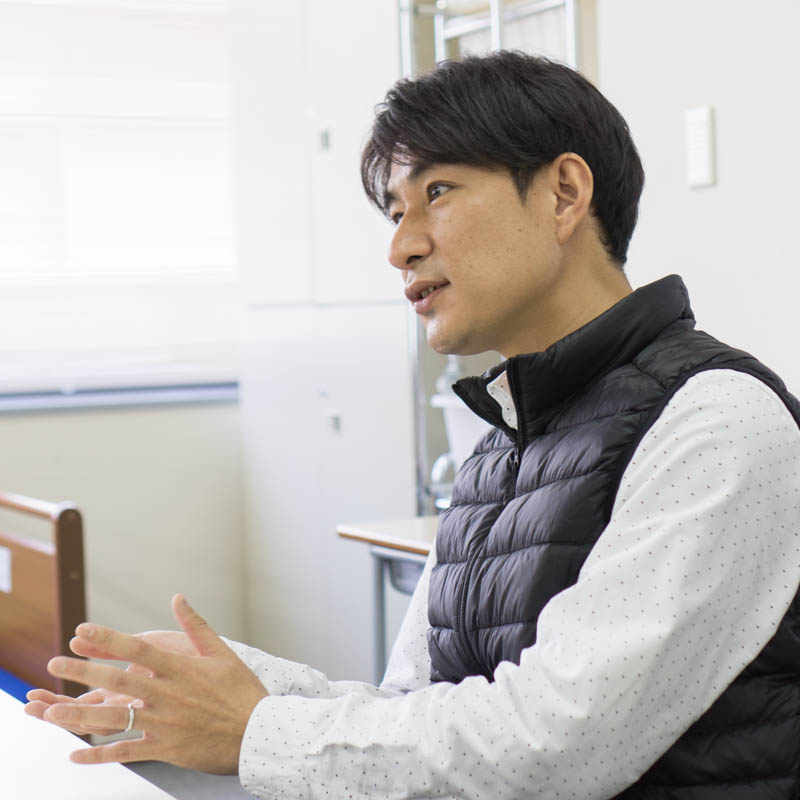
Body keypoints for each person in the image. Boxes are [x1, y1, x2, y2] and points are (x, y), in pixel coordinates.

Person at [25, 51, 800, 799]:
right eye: (396, 213)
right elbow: (418, 712)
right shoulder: (499, 447)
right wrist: (236, 690)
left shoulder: (715, 422)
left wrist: (253, 728)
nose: (402, 247)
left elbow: (552, 746)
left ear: (564, 194)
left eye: (437, 192)